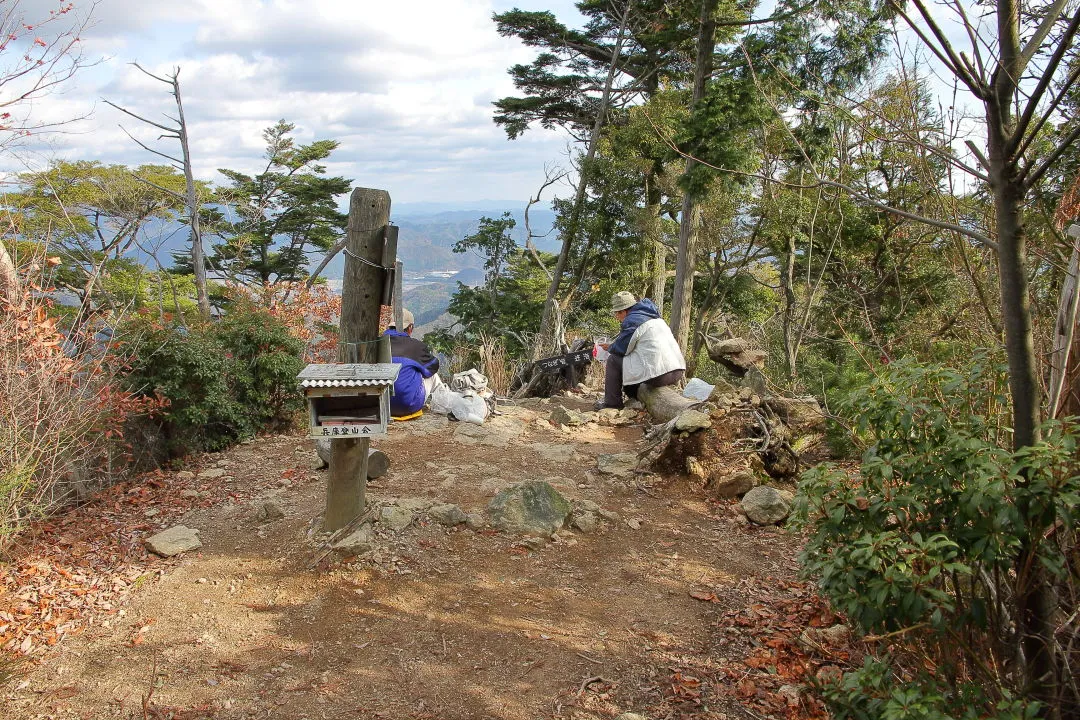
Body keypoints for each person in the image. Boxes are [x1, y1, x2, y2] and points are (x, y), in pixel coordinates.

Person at [598, 291, 685, 410]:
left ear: (623, 311)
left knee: (613, 360)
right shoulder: (654, 317)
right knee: (632, 360)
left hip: (660, 374)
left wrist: (610, 347)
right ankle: (635, 397)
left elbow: (622, 349)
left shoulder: (632, 321)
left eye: (617, 314)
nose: (617, 317)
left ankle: (612, 404)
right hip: (677, 370)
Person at [383, 309, 442, 417]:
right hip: (407, 406)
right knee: (432, 375)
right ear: (410, 328)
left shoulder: (376, 343)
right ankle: (445, 405)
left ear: (389, 326)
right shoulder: (415, 346)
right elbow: (433, 366)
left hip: (380, 406)